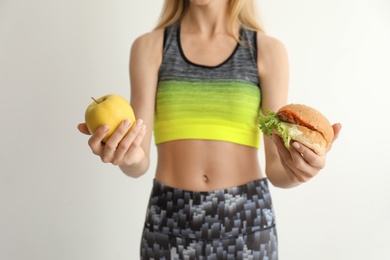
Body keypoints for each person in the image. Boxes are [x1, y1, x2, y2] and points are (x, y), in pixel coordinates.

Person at [78, 0, 341, 259]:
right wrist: (128, 155)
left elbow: (276, 168)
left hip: (247, 221)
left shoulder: (267, 51)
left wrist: (299, 172)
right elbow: (139, 161)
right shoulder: (149, 47)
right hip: (168, 220)